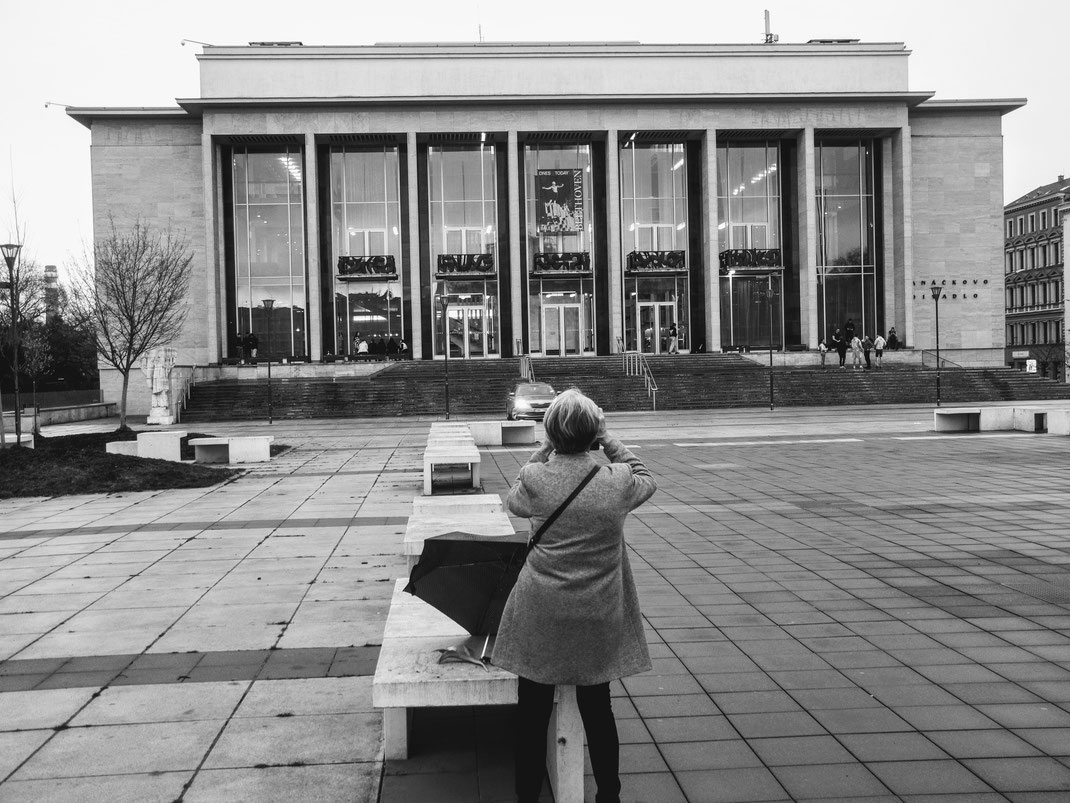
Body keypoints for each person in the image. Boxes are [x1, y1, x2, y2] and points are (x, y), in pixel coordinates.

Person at [494, 389, 656, 803]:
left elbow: (514, 499)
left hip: (540, 609)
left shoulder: (536, 479)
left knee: (530, 715)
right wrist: (609, 439)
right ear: (593, 434)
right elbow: (646, 477)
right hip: (597, 610)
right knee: (598, 709)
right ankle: (609, 795)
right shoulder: (617, 482)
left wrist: (544, 449)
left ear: (550, 433)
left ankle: (526, 796)